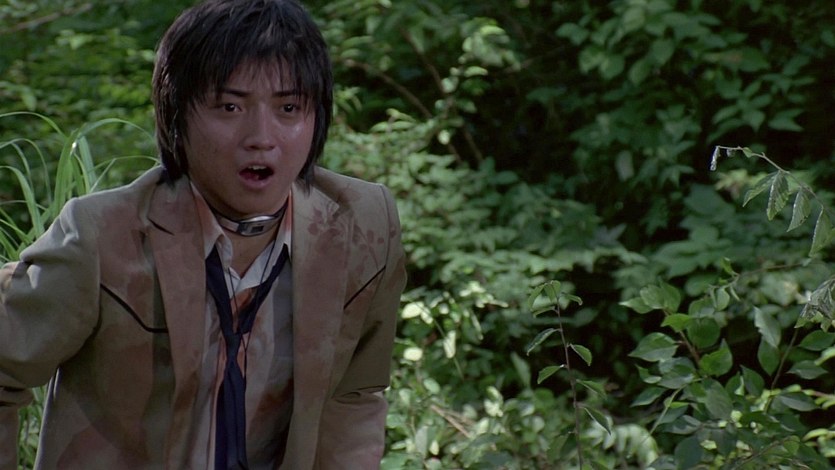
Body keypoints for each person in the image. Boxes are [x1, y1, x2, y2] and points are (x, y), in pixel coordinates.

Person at [0, 0, 406, 468]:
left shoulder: (361, 226)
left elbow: (356, 393)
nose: (261, 137)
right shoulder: (104, 237)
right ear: (177, 115)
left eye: (289, 108)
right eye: (230, 107)